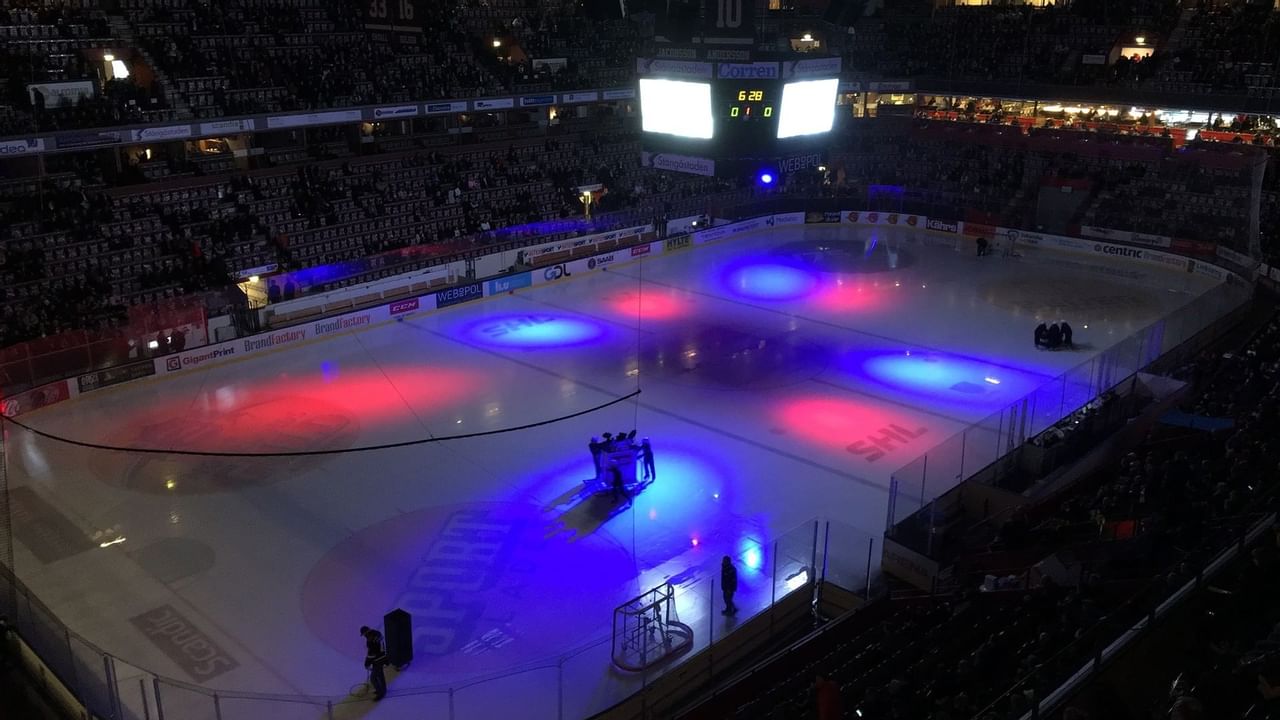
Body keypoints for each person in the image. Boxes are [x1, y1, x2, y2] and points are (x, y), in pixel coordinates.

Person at [360, 625, 388, 700]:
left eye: (364, 634)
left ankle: (380, 693)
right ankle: (383, 690)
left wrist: (367, 663)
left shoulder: (370, 640)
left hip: (377, 660)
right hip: (382, 658)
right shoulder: (377, 634)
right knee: (380, 675)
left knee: (373, 678)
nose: (364, 636)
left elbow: (371, 654)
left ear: (366, 632)